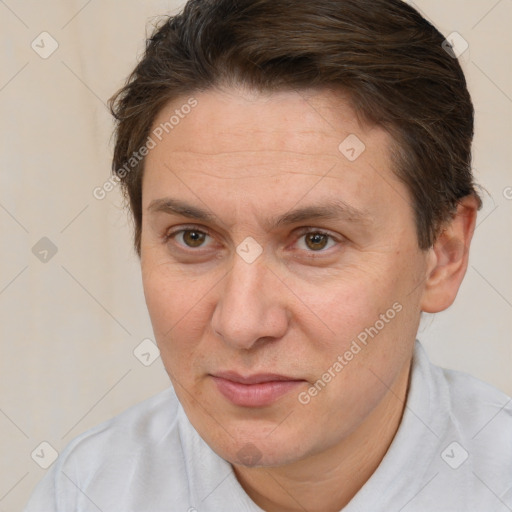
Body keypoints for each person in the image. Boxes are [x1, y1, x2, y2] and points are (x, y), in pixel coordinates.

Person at [24, 0, 512, 510]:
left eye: (315, 240)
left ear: (443, 254)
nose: (241, 322)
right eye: (193, 237)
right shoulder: (86, 492)